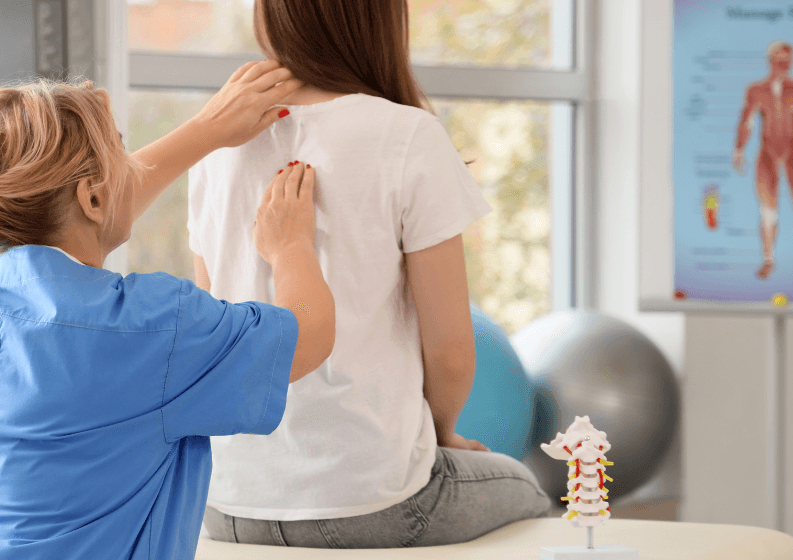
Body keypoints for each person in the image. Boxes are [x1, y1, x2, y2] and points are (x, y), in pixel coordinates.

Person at [0, 62, 337, 560]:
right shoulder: (152, 327)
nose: (133, 167)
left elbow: (83, 209)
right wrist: (290, 247)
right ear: (92, 197)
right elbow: (309, 335)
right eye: (122, 153)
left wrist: (206, 131)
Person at [190, 0, 550, 548]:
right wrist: (441, 436)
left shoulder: (215, 144)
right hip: (372, 501)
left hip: (227, 503)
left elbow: (211, 328)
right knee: (529, 490)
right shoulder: (407, 135)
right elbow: (451, 351)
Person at [733, 41, 793, 279]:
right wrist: (739, 149)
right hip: (767, 152)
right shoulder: (756, 90)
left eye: (788, 59)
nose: (784, 63)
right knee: (768, 210)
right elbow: (746, 121)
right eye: (779, 58)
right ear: (770, 60)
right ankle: (768, 260)